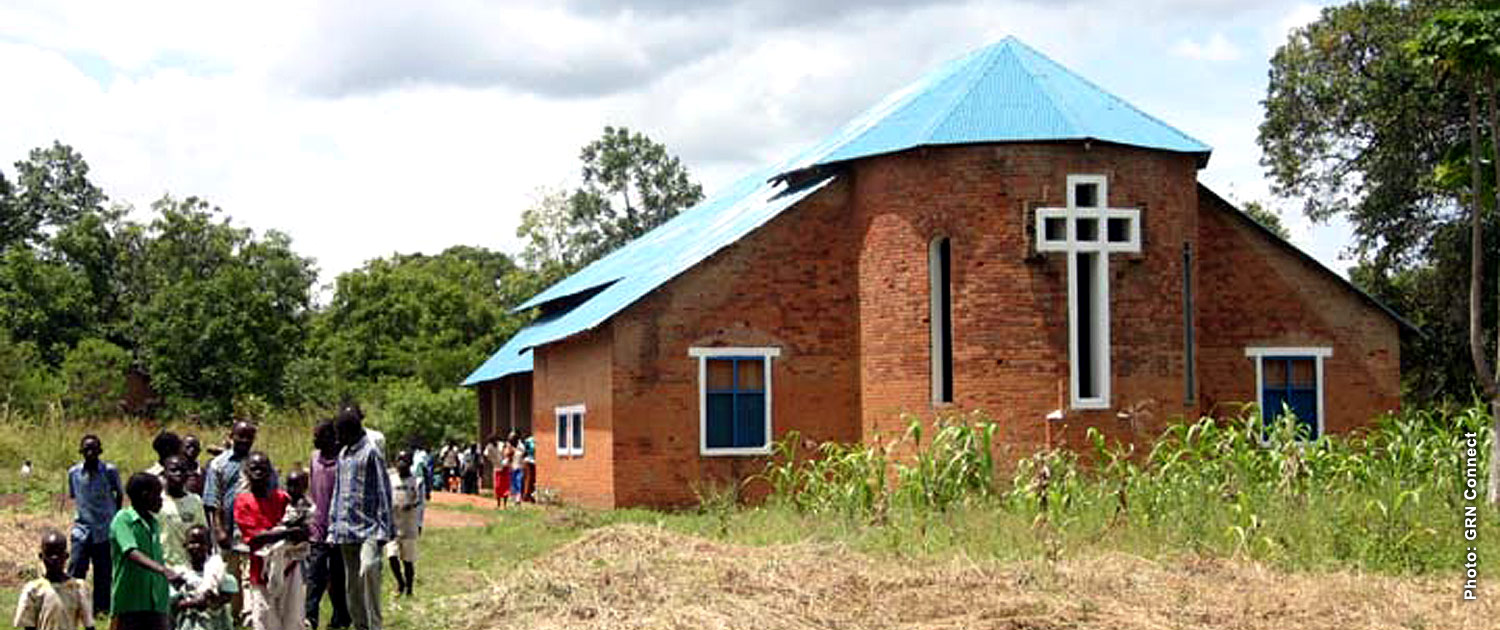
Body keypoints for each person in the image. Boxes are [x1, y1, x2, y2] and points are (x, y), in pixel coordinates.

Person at [327, 406, 394, 630]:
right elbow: (338, 492)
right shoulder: (343, 454)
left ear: (350, 430)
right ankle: (360, 626)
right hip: (346, 530)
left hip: (370, 530)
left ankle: (375, 625)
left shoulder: (371, 452)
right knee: (352, 585)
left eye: (339, 433)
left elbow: (384, 491)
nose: (337, 438)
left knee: (368, 571)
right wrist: (332, 526)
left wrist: (385, 529)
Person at [202, 421, 277, 620]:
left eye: (249, 437)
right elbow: (212, 501)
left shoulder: (261, 463)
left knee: (252, 581)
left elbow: (273, 497)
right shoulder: (219, 464)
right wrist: (218, 530)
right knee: (229, 580)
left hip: (255, 535)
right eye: (240, 436)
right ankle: (233, 618)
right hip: (228, 533)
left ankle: (252, 617)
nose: (244, 440)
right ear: (231, 436)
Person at [235, 453, 307, 630]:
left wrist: (301, 533)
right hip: (261, 571)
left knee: (293, 620)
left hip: (289, 567)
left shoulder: (282, 498)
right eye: (254, 468)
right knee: (266, 621)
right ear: (247, 472)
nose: (259, 472)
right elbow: (254, 540)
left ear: (270, 472)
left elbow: (302, 526)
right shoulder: (243, 502)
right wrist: (287, 533)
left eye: (263, 468)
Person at [110, 473, 186, 630]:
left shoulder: (153, 523)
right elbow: (131, 551)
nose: (161, 500)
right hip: (129, 603)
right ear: (145, 495)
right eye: (157, 495)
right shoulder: (123, 519)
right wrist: (164, 571)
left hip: (156, 601)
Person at [303, 421, 352, 630]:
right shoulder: (314, 457)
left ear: (332, 436)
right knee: (314, 578)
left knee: (338, 579)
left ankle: (341, 617)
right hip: (317, 529)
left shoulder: (344, 460)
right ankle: (310, 620)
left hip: (339, 531)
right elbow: (312, 491)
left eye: (319, 435)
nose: (314, 439)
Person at [67, 434, 121, 617]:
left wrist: (115, 518)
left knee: (103, 573)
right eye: (86, 449)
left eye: (94, 449)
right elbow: (76, 497)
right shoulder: (74, 473)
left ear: (100, 451)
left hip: (104, 529)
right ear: (81, 452)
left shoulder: (109, 471)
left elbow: (118, 494)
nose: (90, 453)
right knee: (76, 569)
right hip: (82, 530)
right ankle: (73, 605)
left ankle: (101, 609)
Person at [13, 530, 93, 630]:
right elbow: (29, 625)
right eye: (49, 554)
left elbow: (89, 624)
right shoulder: (33, 590)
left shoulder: (78, 588)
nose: (54, 558)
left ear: (66, 556)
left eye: (59, 553)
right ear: (41, 556)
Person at [254, 470, 311, 598]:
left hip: (296, 546)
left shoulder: (304, 504)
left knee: (278, 552)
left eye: (296, 486)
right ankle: (271, 579)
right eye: (289, 485)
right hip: (284, 537)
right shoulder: (284, 501)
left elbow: (301, 525)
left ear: (305, 487)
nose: (292, 489)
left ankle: (275, 584)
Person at [168, 525, 237, 630]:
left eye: (202, 543)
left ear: (209, 546)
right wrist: (192, 603)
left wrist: (210, 599)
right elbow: (173, 603)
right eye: (192, 542)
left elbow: (227, 596)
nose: (197, 546)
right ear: (185, 545)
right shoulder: (179, 573)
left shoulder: (216, 569)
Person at [157, 456, 206, 569]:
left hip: (189, 565)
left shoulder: (195, 500)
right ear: (164, 473)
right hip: (164, 565)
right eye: (173, 470)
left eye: (182, 470)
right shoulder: (157, 501)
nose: (178, 473)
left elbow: (203, 532)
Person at [384, 450, 422, 597]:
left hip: (409, 525)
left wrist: (412, 507)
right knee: (391, 556)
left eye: (404, 460)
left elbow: (419, 501)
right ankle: (400, 582)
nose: (401, 464)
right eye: (398, 460)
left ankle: (410, 589)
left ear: (410, 463)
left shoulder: (416, 481)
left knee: (407, 560)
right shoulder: (390, 479)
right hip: (393, 525)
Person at [482, 436, 506, 508]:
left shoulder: (501, 445)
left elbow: (506, 452)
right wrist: (491, 459)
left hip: (504, 467)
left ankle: (504, 504)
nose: (494, 443)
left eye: (494, 441)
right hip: (496, 467)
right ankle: (498, 504)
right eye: (492, 442)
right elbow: (485, 455)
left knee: (504, 486)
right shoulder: (489, 447)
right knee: (497, 486)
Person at [507, 435, 525, 508]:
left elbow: (521, 454)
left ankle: (518, 499)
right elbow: (508, 456)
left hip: (519, 467)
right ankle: (514, 499)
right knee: (513, 484)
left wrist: (514, 450)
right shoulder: (511, 446)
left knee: (519, 483)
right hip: (513, 467)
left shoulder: (521, 447)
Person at [521, 432, 536, 503]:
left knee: (528, 479)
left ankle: (527, 496)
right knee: (530, 479)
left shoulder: (528, 440)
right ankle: (526, 496)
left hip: (528, 460)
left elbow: (523, 452)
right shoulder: (531, 440)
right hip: (531, 461)